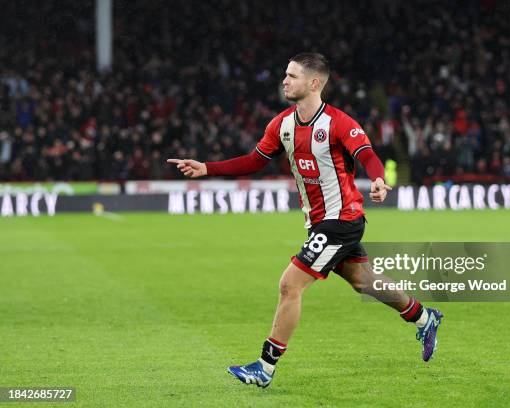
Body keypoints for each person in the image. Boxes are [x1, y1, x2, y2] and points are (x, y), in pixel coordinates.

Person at [168, 53, 443, 388]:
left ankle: (265, 367)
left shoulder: (339, 123)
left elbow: (367, 155)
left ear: (314, 83)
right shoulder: (282, 124)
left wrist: (378, 179)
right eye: (285, 74)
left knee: (290, 284)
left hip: (341, 219)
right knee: (362, 281)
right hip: (319, 222)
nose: (284, 80)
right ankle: (424, 317)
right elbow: (255, 161)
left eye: (292, 76)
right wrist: (207, 168)